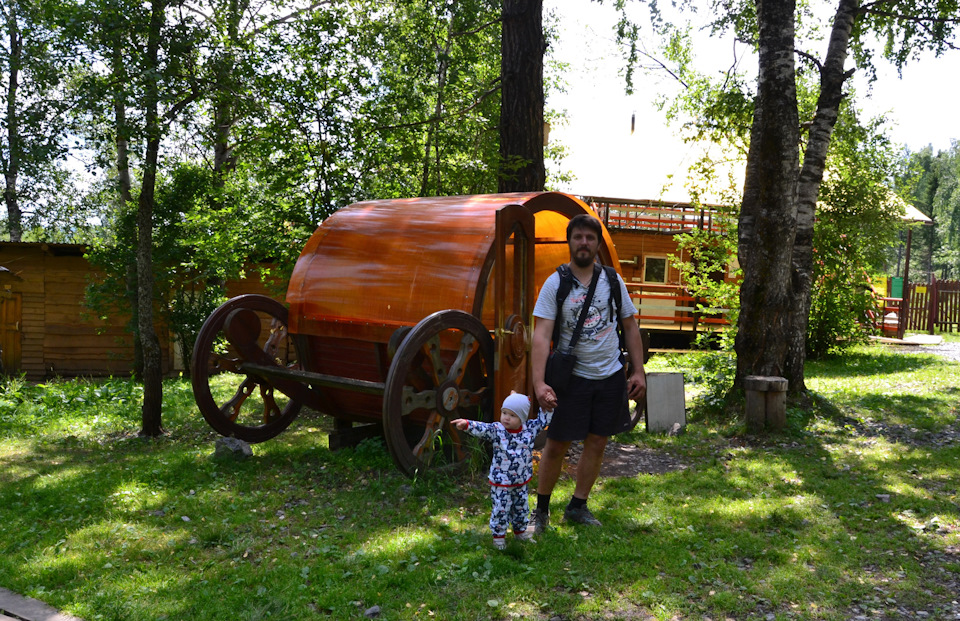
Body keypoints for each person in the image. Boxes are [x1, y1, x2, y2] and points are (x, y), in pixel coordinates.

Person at [530, 213, 647, 533]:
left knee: (598, 441)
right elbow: (541, 335)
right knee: (556, 443)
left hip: (609, 375)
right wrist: (539, 382)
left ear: (597, 244)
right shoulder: (556, 282)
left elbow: (629, 326)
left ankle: (578, 506)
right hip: (571, 378)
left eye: (590, 237)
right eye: (578, 237)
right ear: (569, 242)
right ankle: (541, 511)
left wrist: (639, 371)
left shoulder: (612, 280)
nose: (584, 242)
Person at [451, 393, 553, 550]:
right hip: (502, 482)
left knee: (521, 507)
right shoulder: (497, 430)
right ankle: (498, 538)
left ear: (522, 418)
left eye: (512, 415)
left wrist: (548, 405)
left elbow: (543, 420)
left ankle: (520, 533)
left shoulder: (529, 430)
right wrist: (466, 424)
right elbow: (483, 428)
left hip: (521, 480)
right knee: (501, 509)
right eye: (504, 412)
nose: (506, 418)